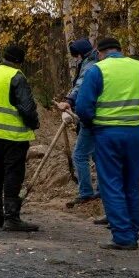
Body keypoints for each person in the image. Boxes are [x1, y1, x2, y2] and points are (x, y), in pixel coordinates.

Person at [73, 37, 139, 251]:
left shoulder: (97, 70)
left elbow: (83, 107)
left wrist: (92, 124)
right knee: (130, 183)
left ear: (100, 52)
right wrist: (138, 122)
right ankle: (132, 230)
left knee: (111, 183)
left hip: (106, 133)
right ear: (121, 51)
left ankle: (123, 236)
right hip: (135, 134)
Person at [0, 43, 41, 232]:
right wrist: (34, 123)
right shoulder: (16, 77)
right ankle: (12, 217)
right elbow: (27, 108)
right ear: (18, 61)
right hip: (14, 135)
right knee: (13, 173)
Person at [55, 38, 100, 205]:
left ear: (81, 54)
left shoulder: (89, 66)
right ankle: (101, 191)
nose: (76, 59)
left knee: (79, 155)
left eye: (76, 56)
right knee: (97, 155)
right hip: (98, 117)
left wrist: (69, 100)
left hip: (90, 117)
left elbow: (80, 85)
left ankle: (86, 192)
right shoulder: (95, 62)